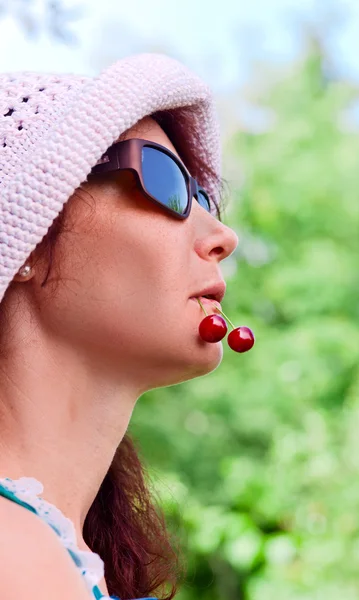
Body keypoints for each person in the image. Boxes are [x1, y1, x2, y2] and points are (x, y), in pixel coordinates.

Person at [0, 53, 239, 599]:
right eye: (162, 179)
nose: (223, 235)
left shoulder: (64, 556)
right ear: (27, 240)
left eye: (205, 199)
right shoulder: (11, 552)